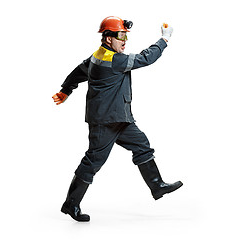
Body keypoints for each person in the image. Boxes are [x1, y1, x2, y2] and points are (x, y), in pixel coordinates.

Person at [53, 16, 183, 222]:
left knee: (142, 146)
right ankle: (70, 204)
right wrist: (164, 40)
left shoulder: (98, 56)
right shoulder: (116, 61)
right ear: (107, 39)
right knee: (93, 161)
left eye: (126, 36)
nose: (124, 41)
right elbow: (145, 58)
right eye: (121, 36)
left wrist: (66, 90)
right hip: (106, 121)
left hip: (119, 119)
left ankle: (157, 186)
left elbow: (79, 71)